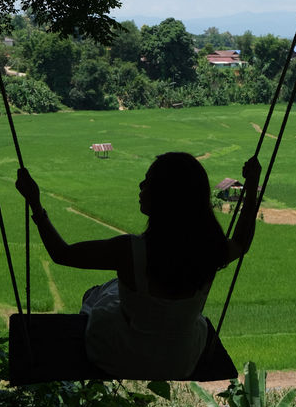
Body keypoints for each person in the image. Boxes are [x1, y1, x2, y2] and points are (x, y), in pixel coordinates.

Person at [15, 152, 261, 378]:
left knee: (98, 295)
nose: (141, 187)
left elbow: (62, 253)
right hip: (180, 359)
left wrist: (35, 205)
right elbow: (241, 242)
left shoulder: (129, 251)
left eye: (148, 182)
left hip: (120, 354)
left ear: (165, 195)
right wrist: (251, 188)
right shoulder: (210, 251)